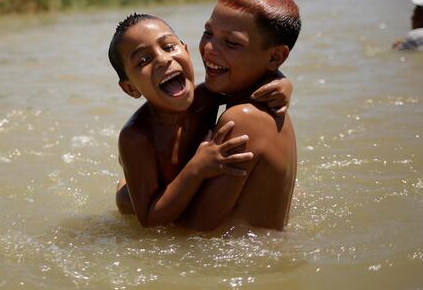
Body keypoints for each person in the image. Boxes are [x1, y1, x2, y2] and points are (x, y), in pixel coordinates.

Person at [109, 13, 292, 228]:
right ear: (130, 88)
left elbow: (250, 83)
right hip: (152, 197)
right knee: (126, 200)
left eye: (168, 47)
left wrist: (282, 82)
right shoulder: (136, 137)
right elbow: (149, 219)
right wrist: (197, 167)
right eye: (143, 60)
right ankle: (126, 188)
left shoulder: (206, 98)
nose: (162, 59)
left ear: (186, 50)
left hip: (189, 185)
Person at [179, 0, 301, 231]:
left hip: (238, 264)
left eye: (232, 43)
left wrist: (129, 199)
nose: (210, 49)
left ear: (275, 57)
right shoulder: (258, 103)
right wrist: (281, 78)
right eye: (208, 32)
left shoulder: (244, 119)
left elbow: (195, 229)